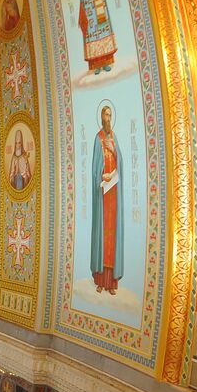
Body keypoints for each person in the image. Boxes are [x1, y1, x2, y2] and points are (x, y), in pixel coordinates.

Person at [90, 104, 123, 295]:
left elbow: (121, 162)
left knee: (112, 237)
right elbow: (95, 166)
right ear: (102, 118)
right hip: (103, 192)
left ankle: (111, 283)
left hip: (114, 192)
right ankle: (101, 282)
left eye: (110, 115)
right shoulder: (98, 138)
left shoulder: (113, 138)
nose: (108, 118)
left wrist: (114, 151)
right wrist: (101, 176)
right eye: (106, 115)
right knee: (103, 236)